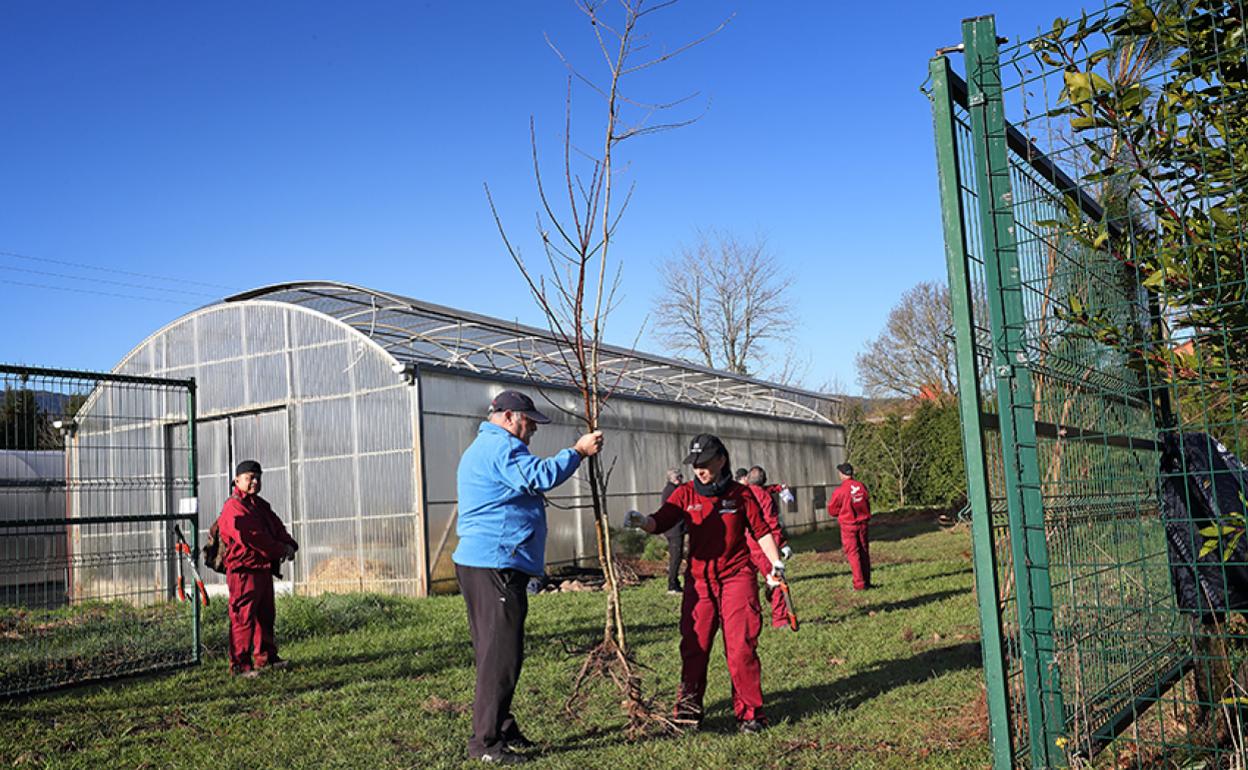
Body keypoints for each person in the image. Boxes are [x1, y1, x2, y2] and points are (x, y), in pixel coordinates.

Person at [453, 389, 604, 765]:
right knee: (501, 656)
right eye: (529, 421)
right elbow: (537, 476)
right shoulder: (500, 448)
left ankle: (501, 726)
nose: (534, 428)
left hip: (483, 562)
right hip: (496, 562)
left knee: (495, 651)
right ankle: (486, 744)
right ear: (507, 417)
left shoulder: (488, 447)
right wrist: (578, 452)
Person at [625, 434, 785, 733]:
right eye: (695, 464)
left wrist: (775, 566)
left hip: (737, 577)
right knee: (694, 647)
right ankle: (687, 711)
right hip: (700, 583)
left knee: (741, 648)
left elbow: (761, 531)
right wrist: (642, 522)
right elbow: (663, 519)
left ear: (721, 460)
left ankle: (750, 714)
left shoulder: (741, 495)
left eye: (705, 463)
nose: (699, 470)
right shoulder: (685, 494)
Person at [217, 459, 298, 678]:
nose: (254, 481)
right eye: (249, 477)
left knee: (265, 615)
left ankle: (266, 658)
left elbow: (276, 526)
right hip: (244, 571)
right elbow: (254, 538)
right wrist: (281, 549)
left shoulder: (259, 506)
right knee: (243, 618)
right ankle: (240, 666)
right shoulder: (234, 507)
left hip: (261, 568)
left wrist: (290, 544)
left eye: (258, 477)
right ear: (237, 480)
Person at [745, 466, 792, 629]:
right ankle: (780, 619)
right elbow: (772, 524)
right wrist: (782, 544)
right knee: (777, 579)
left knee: (745, 583)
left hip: (744, 546)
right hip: (762, 545)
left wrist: (778, 488)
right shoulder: (765, 497)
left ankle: (748, 619)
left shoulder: (741, 494)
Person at [827, 462, 871, 590]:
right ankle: (867, 581)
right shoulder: (861, 486)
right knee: (864, 552)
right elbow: (867, 503)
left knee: (853, 554)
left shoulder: (840, 491)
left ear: (842, 474)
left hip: (848, 526)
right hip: (863, 524)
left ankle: (859, 584)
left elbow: (832, 510)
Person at [659, 467, 686, 595]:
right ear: (672, 479)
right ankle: (672, 585)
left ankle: (675, 583)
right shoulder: (671, 491)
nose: (680, 479)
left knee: (677, 556)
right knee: (675, 557)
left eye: (681, 476)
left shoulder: (672, 490)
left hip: (674, 528)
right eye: (678, 477)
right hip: (674, 529)